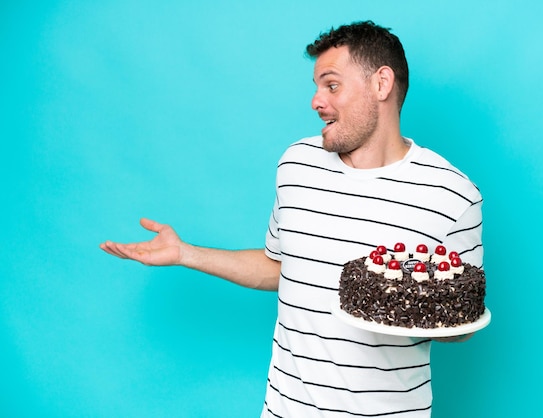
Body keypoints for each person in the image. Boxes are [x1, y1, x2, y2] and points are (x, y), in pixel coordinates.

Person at [101, 21, 483, 417]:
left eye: (331, 85)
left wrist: (405, 302)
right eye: (317, 87)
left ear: (381, 84)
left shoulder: (451, 194)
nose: (316, 101)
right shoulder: (297, 165)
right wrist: (185, 253)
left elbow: (463, 321)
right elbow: (280, 268)